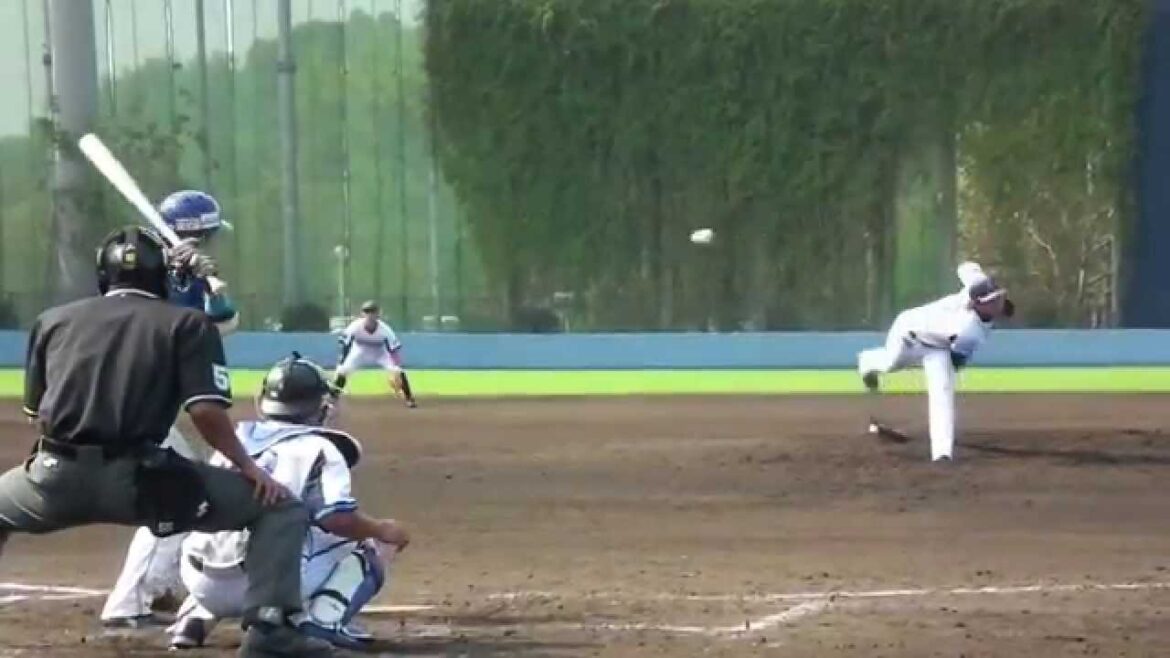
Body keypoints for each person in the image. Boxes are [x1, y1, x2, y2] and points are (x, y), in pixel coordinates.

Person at [0, 225, 333, 657]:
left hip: (52, 478)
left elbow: (36, 414)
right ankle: (270, 629)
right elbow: (206, 412)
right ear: (161, 276)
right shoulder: (187, 324)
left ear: (102, 276)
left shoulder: (52, 321)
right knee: (280, 508)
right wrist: (249, 468)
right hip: (144, 484)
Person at [168, 353, 410, 651]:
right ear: (321, 406)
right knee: (364, 541)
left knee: (232, 534)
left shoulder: (234, 441)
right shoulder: (320, 447)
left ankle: (194, 618)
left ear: (263, 401)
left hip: (199, 580)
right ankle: (323, 620)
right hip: (267, 587)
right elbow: (337, 520)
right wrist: (383, 529)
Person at [101, 189, 242, 628]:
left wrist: (207, 286)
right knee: (177, 494)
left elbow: (221, 323)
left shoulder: (186, 273)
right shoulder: (142, 269)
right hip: (129, 406)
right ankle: (129, 602)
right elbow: (152, 321)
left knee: (182, 490)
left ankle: (156, 588)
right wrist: (177, 277)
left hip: (143, 407)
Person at [857, 261, 1016, 462]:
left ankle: (942, 452)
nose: (998, 301)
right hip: (908, 332)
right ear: (977, 304)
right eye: (992, 300)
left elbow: (965, 267)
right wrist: (956, 365)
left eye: (998, 297)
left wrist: (981, 280)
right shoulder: (968, 330)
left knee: (942, 390)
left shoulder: (978, 286)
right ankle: (866, 361)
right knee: (890, 362)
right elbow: (957, 360)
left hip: (939, 348)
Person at [333, 301, 417, 409]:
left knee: (398, 371)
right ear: (363, 314)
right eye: (367, 312)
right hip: (360, 351)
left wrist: (397, 366)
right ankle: (333, 397)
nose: (370, 315)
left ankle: (409, 398)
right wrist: (341, 362)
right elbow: (345, 345)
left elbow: (393, 350)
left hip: (380, 352)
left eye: (373, 312)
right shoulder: (355, 326)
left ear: (378, 314)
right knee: (343, 370)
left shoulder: (385, 330)